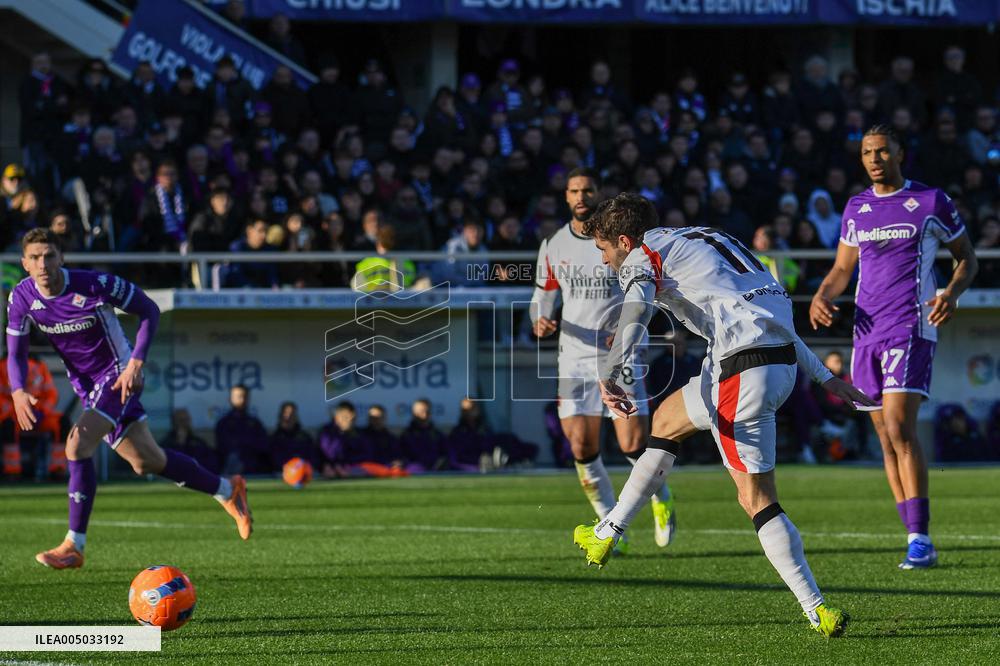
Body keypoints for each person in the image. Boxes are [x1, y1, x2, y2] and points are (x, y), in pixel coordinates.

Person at [571, 193, 873, 637]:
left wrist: (614, 369)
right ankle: (609, 530)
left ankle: (817, 608)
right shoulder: (710, 237)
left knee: (756, 499)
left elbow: (636, 309)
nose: (603, 261)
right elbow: (773, 317)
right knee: (668, 420)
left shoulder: (643, 255)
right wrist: (826, 379)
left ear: (622, 239)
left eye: (602, 250)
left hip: (740, 374)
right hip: (776, 362)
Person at [7, 229, 253, 569]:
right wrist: (18, 390)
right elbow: (15, 353)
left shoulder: (94, 285)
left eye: (49, 255)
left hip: (119, 374)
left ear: (61, 258)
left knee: (76, 445)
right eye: (34, 258)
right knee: (146, 461)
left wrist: (137, 361)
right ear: (24, 263)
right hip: (86, 386)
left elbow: (149, 310)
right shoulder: (21, 297)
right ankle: (228, 489)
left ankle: (73, 545)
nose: (42, 264)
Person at [809, 125, 978, 570]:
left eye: (883, 150)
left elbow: (967, 257)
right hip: (866, 332)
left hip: (911, 325)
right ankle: (914, 537)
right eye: (867, 152)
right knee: (883, 435)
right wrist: (824, 295)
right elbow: (842, 268)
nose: (875, 158)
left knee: (901, 427)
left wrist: (951, 293)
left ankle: (921, 537)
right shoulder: (856, 207)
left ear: (900, 152)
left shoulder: (930, 201)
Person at [531, 167, 675, 552]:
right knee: (581, 446)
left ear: (598, 194)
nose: (581, 196)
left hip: (619, 351)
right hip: (573, 357)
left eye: (587, 189)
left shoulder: (619, 241)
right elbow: (542, 297)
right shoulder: (553, 244)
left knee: (632, 444)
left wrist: (632, 329)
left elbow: (647, 290)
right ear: (566, 197)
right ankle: (610, 524)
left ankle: (661, 499)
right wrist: (540, 320)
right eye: (574, 190)